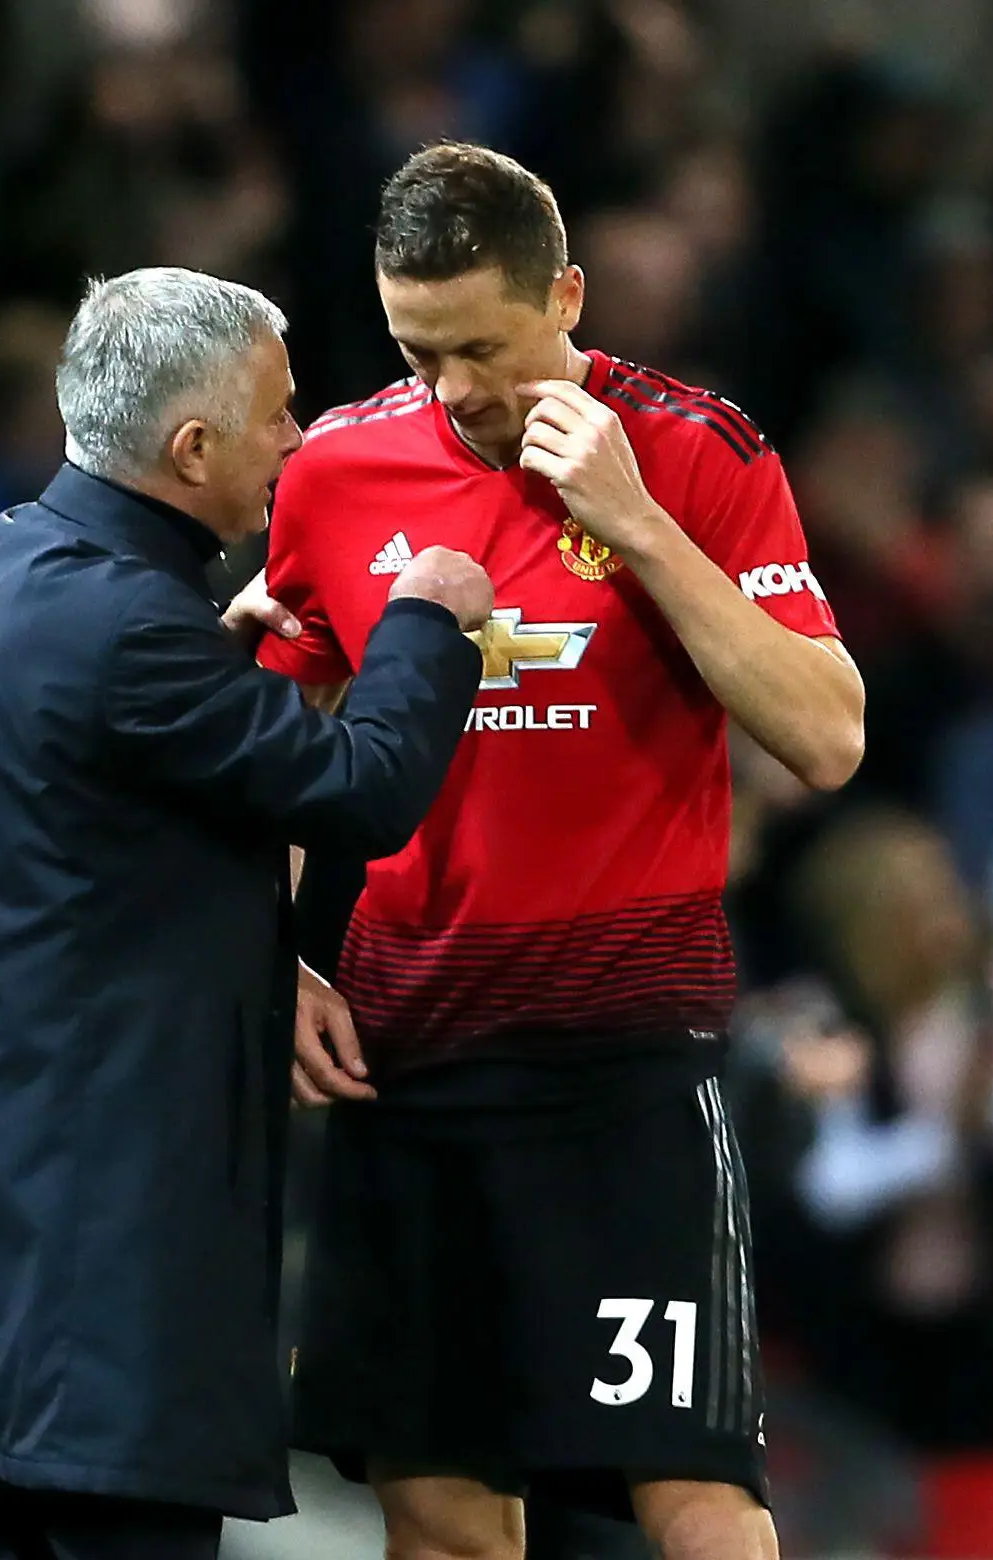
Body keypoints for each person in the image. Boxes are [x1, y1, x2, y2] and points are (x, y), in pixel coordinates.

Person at [255, 144, 866, 1560]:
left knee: (695, 1495)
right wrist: (276, 959)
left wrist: (637, 526)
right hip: (407, 1059)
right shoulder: (336, 471)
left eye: (486, 346)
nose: (458, 388)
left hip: (625, 1067)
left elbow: (826, 736)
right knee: (441, 1509)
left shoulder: (704, 453)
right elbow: (275, 760)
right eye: (423, 349)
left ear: (569, 297)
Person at [0, 265, 492, 1560]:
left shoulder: (6, 571)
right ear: (193, 445)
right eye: (277, 413)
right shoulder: (120, 626)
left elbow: (97, 838)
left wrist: (219, 662)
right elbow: (365, 790)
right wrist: (426, 625)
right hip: (103, 1270)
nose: (298, 437)